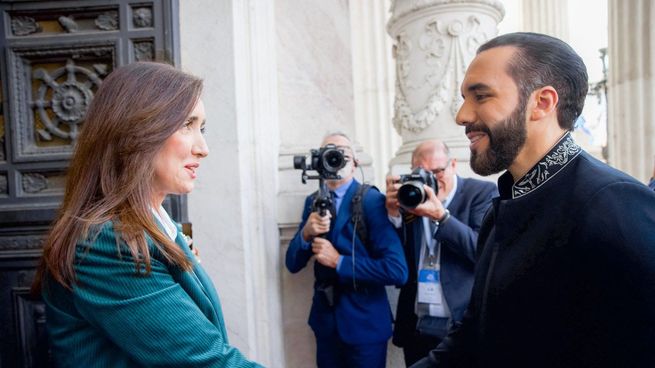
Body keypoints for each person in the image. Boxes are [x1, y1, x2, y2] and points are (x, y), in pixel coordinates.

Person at [411, 32, 655, 368]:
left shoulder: (613, 203)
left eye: (481, 96)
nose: (462, 116)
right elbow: (474, 335)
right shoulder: (502, 209)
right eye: (464, 98)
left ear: (542, 103)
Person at [32, 62, 262, 367]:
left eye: (201, 128)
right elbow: (208, 362)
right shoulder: (108, 243)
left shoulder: (155, 227)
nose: (203, 148)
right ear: (137, 132)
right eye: (186, 125)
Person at [286, 132, 408, 368]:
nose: (334, 158)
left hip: (365, 327)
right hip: (326, 325)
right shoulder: (312, 202)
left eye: (341, 153)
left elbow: (396, 270)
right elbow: (292, 264)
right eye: (328, 153)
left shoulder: (372, 201)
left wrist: (338, 261)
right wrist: (306, 234)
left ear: (355, 164)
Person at [386, 140, 496, 367]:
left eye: (438, 171)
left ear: (453, 165)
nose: (432, 180)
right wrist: (393, 214)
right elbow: (396, 254)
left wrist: (441, 216)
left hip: (460, 324)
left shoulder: (480, 194)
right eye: (423, 174)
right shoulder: (411, 196)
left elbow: (482, 252)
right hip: (418, 325)